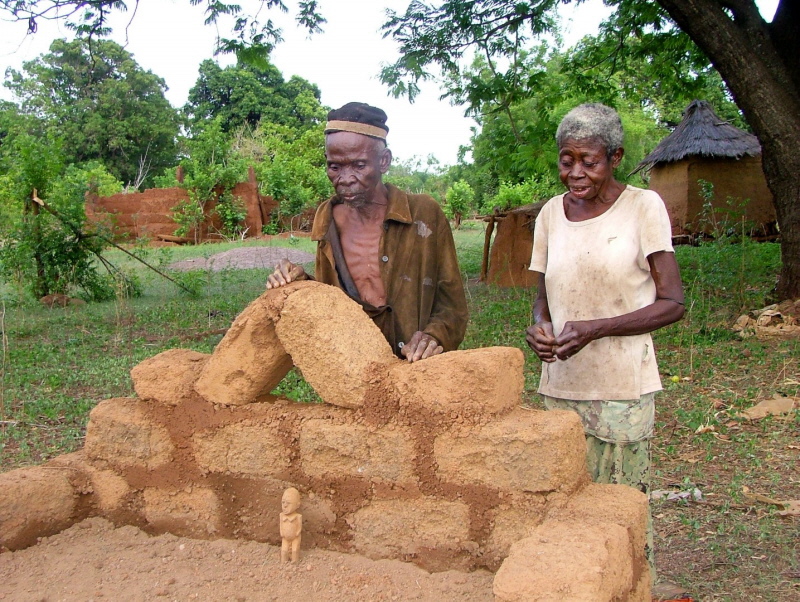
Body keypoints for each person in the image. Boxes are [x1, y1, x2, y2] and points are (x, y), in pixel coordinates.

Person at [525, 103, 685, 581]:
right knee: (565, 502)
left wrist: (594, 328)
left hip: (621, 388)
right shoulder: (551, 215)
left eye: (588, 161)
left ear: (615, 157)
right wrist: (540, 328)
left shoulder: (643, 207)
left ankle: (632, 585)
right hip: (561, 387)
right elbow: (543, 296)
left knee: (619, 507)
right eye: (566, 159)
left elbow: (673, 302)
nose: (575, 172)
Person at [267, 102, 468, 362]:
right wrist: (298, 282)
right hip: (352, 370)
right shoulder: (326, 218)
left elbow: (453, 306)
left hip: (416, 372)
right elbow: (331, 300)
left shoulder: (424, 214)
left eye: (359, 165)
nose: (346, 178)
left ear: (384, 161)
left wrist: (434, 336)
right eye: (335, 167)